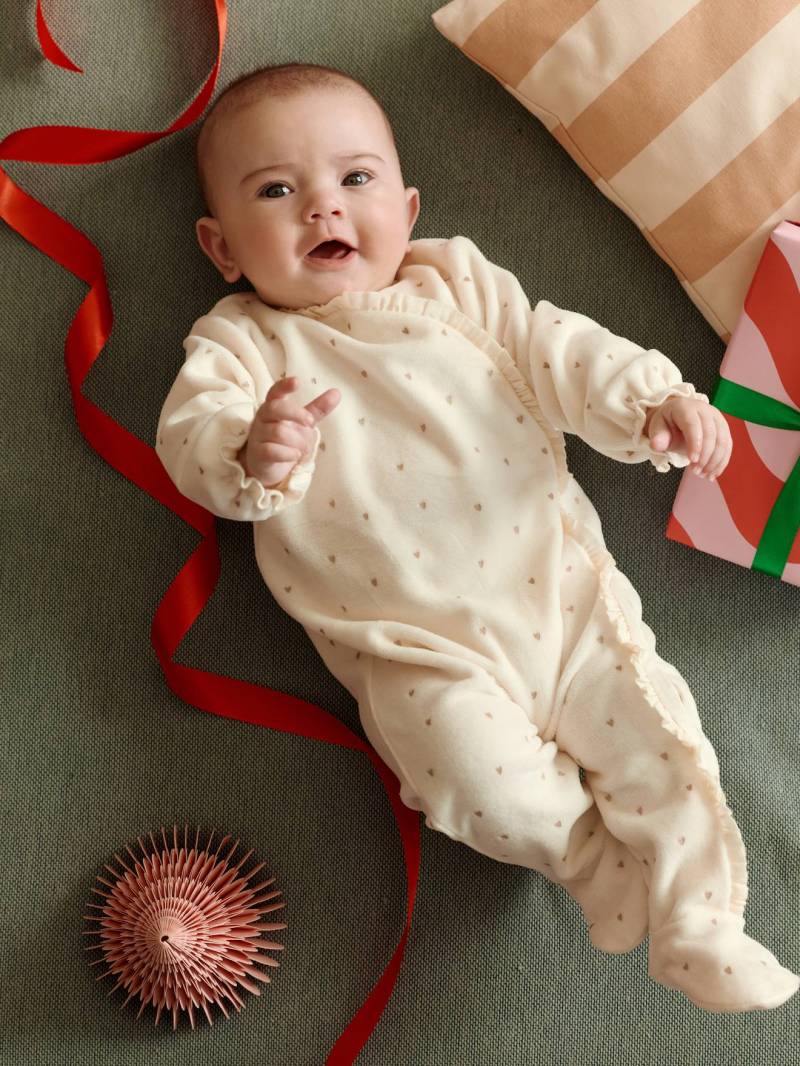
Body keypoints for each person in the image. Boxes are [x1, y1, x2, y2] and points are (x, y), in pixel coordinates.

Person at [154, 61, 799, 1013]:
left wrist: (651, 399)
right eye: (278, 191)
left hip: (558, 597)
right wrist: (254, 445)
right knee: (470, 781)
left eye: (356, 179)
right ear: (222, 246)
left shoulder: (460, 287)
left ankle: (704, 920)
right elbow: (192, 440)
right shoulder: (241, 347)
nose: (323, 209)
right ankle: (597, 871)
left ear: (409, 210)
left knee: (659, 742)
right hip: (411, 646)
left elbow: (560, 349)